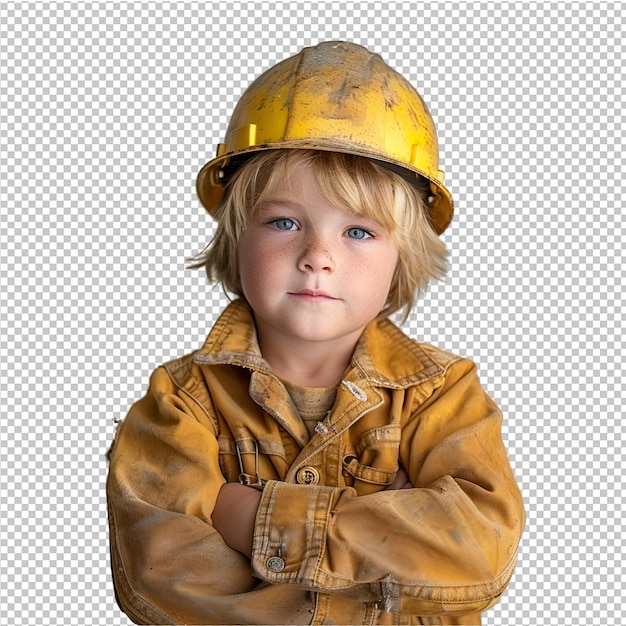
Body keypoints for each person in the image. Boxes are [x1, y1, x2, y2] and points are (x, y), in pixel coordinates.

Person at [106, 41, 525, 625]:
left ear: (402, 260)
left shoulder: (445, 394)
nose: (317, 256)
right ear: (236, 239)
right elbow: (171, 587)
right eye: (284, 221)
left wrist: (251, 521)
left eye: (358, 232)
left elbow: (480, 553)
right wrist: (381, 544)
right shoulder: (178, 406)